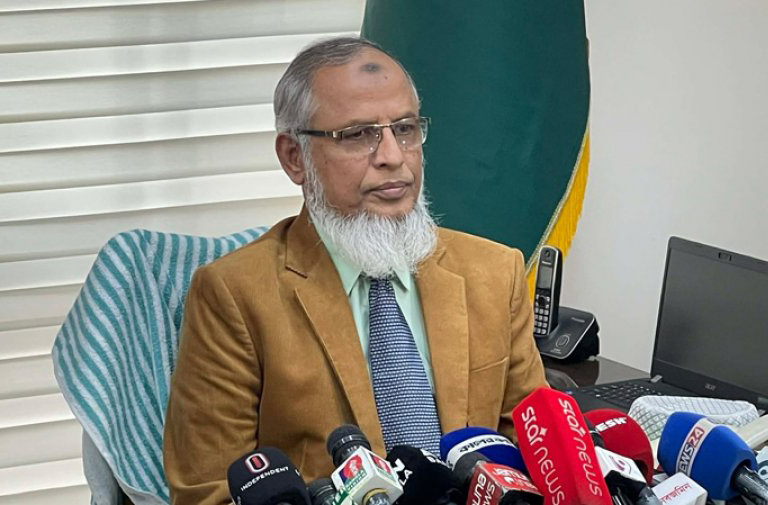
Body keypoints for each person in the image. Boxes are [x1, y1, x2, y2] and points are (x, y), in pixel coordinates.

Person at [163, 36, 548, 504]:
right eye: (358, 135)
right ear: (294, 157)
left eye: (405, 129)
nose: (392, 156)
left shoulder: (494, 272)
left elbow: (542, 455)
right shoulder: (234, 295)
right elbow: (208, 492)